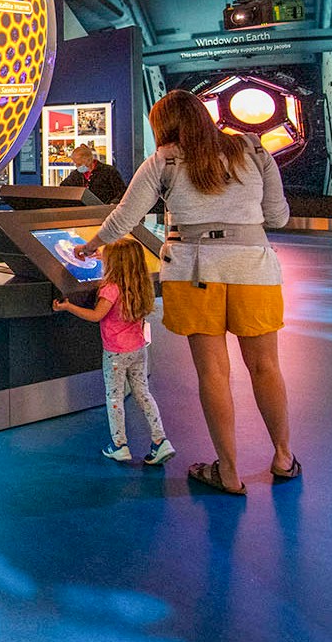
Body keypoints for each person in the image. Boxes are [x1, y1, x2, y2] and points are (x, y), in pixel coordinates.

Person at [77, 89, 295, 496]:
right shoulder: (252, 148)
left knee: (214, 373)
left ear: (165, 126)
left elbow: (125, 217)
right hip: (253, 269)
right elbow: (278, 217)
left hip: (195, 272)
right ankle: (283, 457)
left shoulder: (164, 160)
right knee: (266, 367)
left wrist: (91, 245)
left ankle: (228, 473)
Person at [53, 239, 174, 465]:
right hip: (138, 350)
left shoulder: (110, 289)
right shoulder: (140, 284)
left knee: (114, 397)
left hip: (116, 354)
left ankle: (119, 445)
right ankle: (160, 440)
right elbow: (121, 262)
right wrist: (97, 255)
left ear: (114, 264)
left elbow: (96, 316)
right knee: (143, 393)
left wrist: (68, 307)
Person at [60, 144, 127, 204]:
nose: (77, 166)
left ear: (89, 160)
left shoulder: (109, 171)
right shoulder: (75, 174)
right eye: (75, 163)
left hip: (103, 210)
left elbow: (121, 192)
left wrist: (112, 204)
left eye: (79, 164)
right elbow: (63, 188)